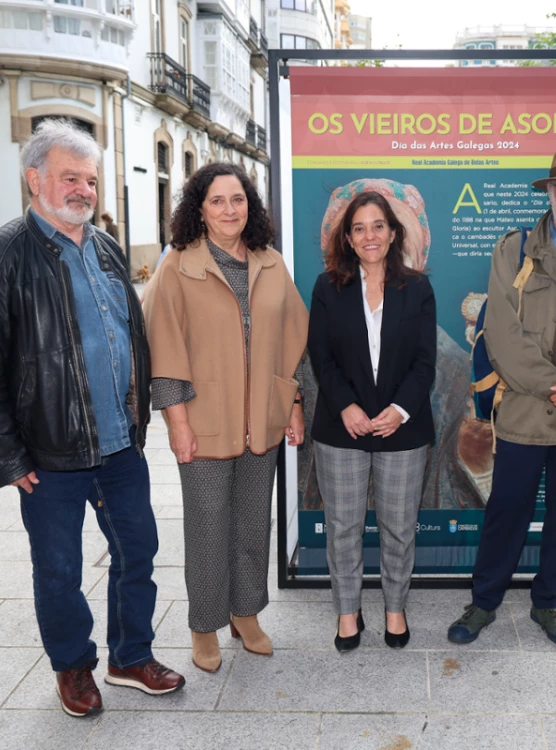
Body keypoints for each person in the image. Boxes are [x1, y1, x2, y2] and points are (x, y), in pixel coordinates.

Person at [0, 119, 184, 718]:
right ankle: (73, 667)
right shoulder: (8, 255)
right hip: (48, 455)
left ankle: (130, 655)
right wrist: (9, 454)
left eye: (91, 180)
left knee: (140, 551)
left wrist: (136, 420)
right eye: (69, 178)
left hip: (118, 446)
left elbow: (131, 334)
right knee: (59, 571)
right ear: (35, 180)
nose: (83, 190)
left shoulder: (105, 246)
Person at [447, 145, 556, 647]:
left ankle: (548, 605)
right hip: (525, 409)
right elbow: (501, 332)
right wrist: (555, 388)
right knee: (508, 510)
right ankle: (483, 604)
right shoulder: (515, 248)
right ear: (550, 192)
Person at [142, 162, 308, 673]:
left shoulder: (271, 262)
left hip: (264, 417)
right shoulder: (178, 265)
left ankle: (245, 613)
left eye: (237, 200)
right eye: (217, 201)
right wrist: (178, 424)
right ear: (200, 207)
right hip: (204, 419)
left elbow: (293, 340)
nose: (229, 210)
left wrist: (294, 404)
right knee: (208, 525)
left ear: (249, 206)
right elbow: (163, 344)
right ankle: (204, 625)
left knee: (254, 521)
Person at [308, 190, 436, 651]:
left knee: (399, 526)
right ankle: (348, 612)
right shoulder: (328, 287)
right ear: (347, 236)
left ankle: (395, 609)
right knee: (343, 525)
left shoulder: (418, 288)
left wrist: (399, 411)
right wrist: (345, 405)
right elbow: (320, 357)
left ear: (394, 232)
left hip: (403, 428)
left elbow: (425, 362)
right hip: (341, 427)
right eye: (359, 227)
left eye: (378, 226)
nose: (369, 236)